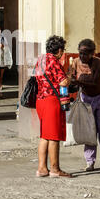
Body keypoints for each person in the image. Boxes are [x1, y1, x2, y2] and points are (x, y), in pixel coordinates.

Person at [69, 39, 100, 171]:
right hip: (86, 99)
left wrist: (78, 81)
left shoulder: (98, 62)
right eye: (81, 53)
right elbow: (70, 78)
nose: (83, 57)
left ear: (93, 53)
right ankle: (90, 162)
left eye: (86, 54)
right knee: (89, 130)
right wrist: (72, 80)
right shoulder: (75, 62)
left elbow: (94, 80)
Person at [34, 35, 72, 178]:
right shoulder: (53, 61)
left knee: (45, 135)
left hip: (40, 100)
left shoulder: (41, 59)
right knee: (54, 136)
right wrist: (70, 74)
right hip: (51, 101)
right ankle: (55, 169)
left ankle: (42, 168)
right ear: (60, 50)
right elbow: (63, 82)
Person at [0, 28, 12, 98]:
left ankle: (0, 88)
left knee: (1, 77)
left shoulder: (3, 38)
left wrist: (3, 46)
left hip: (2, 59)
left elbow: (7, 47)